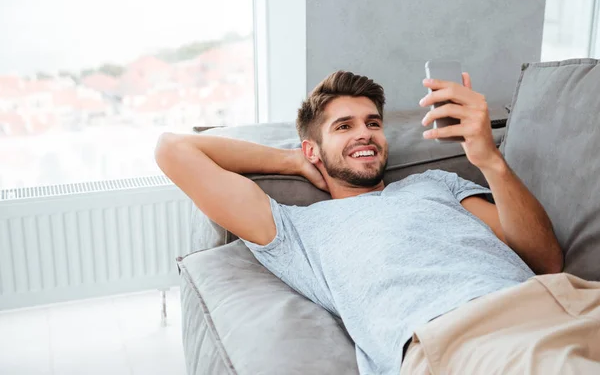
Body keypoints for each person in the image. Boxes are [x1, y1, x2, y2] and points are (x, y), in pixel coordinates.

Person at [155, 71, 600, 374]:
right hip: (465, 339)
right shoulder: (293, 230)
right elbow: (173, 150)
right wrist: (290, 160)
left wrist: (490, 161)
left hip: (565, 302)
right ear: (314, 149)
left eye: (372, 123)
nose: (364, 133)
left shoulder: (437, 183)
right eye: (343, 127)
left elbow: (545, 260)